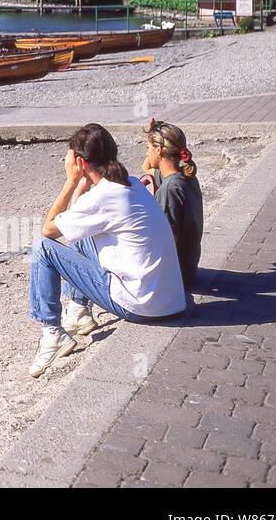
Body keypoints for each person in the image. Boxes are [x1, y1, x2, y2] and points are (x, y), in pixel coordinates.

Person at [28, 123, 187, 377]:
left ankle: (52, 332)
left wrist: (71, 182)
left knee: (43, 250)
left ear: (81, 162)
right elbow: (78, 217)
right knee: (80, 232)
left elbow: (48, 231)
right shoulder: (132, 185)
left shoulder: (103, 198)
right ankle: (79, 311)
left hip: (142, 305)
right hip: (169, 299)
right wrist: (82, 182)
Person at [141, 118, 203, 291]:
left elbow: (168, 241)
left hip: (177, 275)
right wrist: (153, 133)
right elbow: (146, 167)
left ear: (159, 150)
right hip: (188, 267)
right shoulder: (184, 175)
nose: (147, 154)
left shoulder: (170, 189)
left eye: (148, 149)